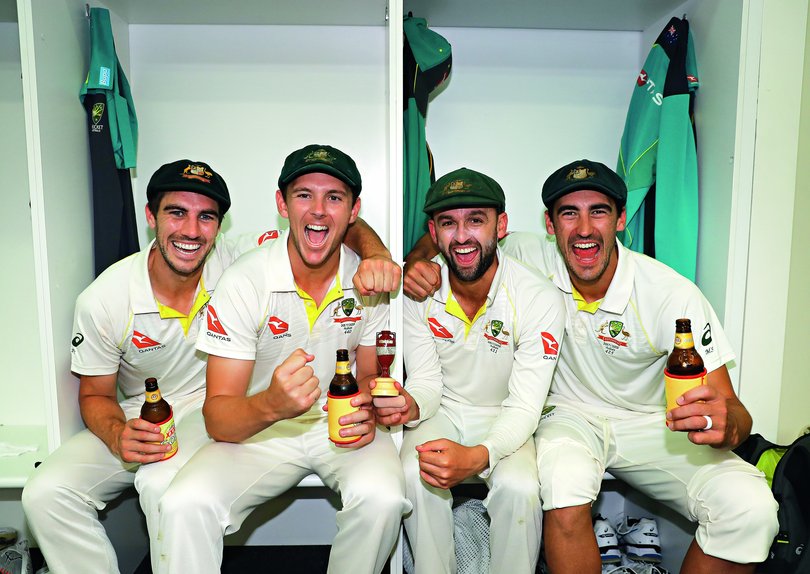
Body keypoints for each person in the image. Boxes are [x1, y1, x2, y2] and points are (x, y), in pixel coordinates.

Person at [21, 158, 400, 574]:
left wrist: (376, 253)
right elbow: (93, 394)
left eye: (206, 217)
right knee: (44, 494)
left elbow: (322, 224)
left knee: (161, 483)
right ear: (150, 216)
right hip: (152, 410)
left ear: (220, 227)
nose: (190, 231)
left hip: (219, 403)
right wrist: (117, 435)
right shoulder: (105, 298)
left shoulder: (235, 260)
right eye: (175, 213)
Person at [404, 159, 779, 574]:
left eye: (598, 211)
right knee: (563, 483)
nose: (583, 229)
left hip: (652, 424)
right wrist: (417, 263)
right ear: (550, 224)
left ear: (620, 220)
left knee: (752, 509)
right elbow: (459, 239)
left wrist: (729, 426)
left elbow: (732, 409)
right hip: (568, 417)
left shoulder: (670, 294)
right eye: (569, 214)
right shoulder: (527, 255)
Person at [157, 144, 409, 574]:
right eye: (303, 195)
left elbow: (369, 376)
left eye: (334, 197)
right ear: (281, 204)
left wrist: (372, 402)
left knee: (384, 499)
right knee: (183, 504)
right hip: (260, 430)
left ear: (354, 211)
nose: (318, 211)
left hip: (340, 429)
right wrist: (272, 403)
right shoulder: (244, 280)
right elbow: (218, 417)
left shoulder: (368, 280)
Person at [375, 167, 565, 573]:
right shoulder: (419, 292)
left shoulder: (538, 298)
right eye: (448, 223)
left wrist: (479, 456)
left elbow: (525, 406)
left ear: (502, 225)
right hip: (444, 410)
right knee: (413, 471)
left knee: (519, 488)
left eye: (475, 220)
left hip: (508, 417)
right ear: (434, 230)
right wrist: (410, 406)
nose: (462, 237)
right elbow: (427, 383)